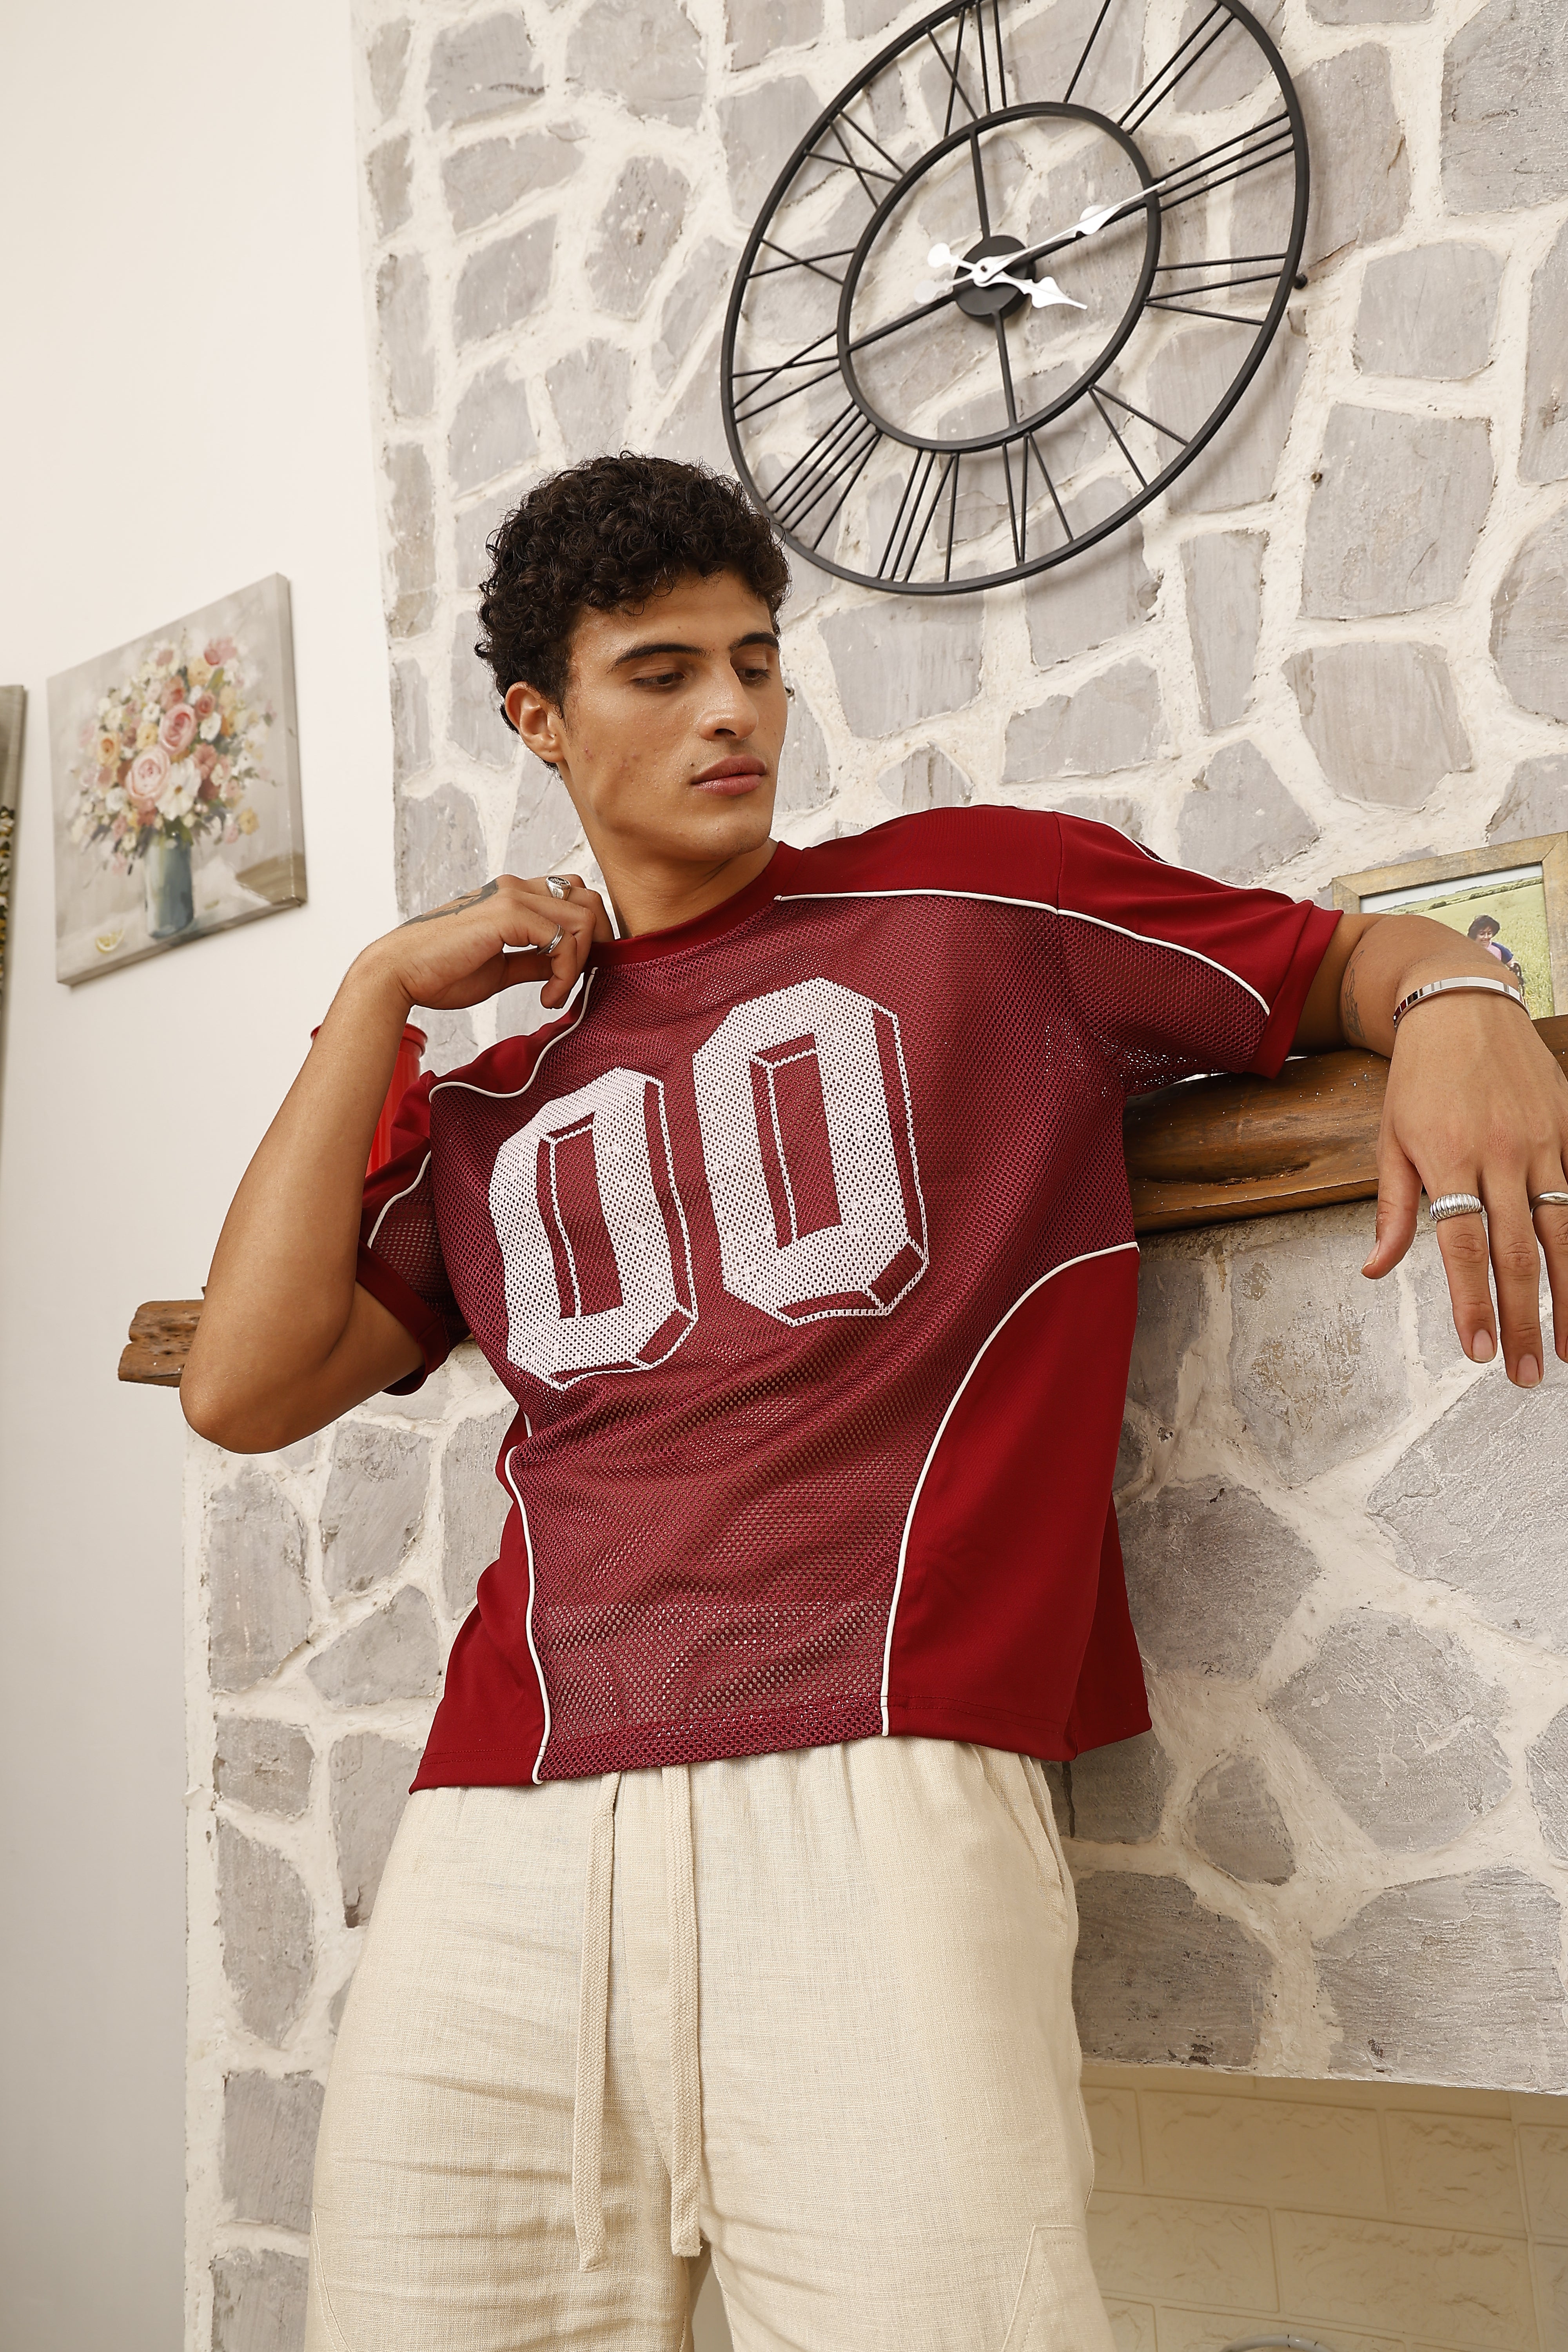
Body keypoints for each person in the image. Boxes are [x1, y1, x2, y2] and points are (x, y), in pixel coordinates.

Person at [181, 455, 1568, 2352]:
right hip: (503, 1811)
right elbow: (244, 1385)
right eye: (661, 671)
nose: (733, 712)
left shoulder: (988, 902)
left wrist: (1462, 1002)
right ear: (537, 720)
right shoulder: (496, 1094)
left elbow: (1334, 963)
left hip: (880, 1775)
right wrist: (370, 1000)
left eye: (756, 662)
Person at [1468, 910, 1527, 993]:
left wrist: (1515, 968)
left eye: (1489, 933)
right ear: (1475, 934)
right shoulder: (1468, 950)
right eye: (1482, 934)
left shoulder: (1498, 949)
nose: (1486, 937)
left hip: (1497, 986)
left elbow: (1512, 963)